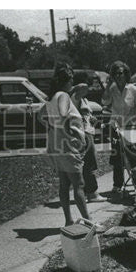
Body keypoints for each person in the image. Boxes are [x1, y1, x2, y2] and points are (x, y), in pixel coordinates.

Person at [38, 64, 97, 229]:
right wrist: (71, 133)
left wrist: (52, 127)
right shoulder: (63, 95)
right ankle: (88, 220)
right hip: (68, 145)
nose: (73, 81)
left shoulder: (52, 97)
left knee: (64, 184)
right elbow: (64, 114)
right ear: (68, 80)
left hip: (56, 145)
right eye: (71, 79)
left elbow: (40, 116)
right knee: (79, 184)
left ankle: (68, 220)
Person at [104, 60, 136, 197]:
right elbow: (104, 102)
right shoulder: (112, 89)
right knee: (117, 157)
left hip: (131, 126)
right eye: (115, 74)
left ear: (126, 74)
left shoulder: (133, 89)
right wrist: (108, 85)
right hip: (116, 126)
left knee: (133, 155)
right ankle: (118, 184)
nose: (118, 76)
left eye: (121, 73)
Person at [69, 81, 99, 202]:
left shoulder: (84, 100)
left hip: (88, 131)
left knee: (89, 162)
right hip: (83, 133)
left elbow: (87, 116)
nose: (87, 90)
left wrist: (92, 118)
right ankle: (91, 192)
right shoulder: (74, 98)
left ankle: (87, 192)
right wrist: (76, 88)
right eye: (84, 88)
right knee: (88, 163)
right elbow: (79, 88)